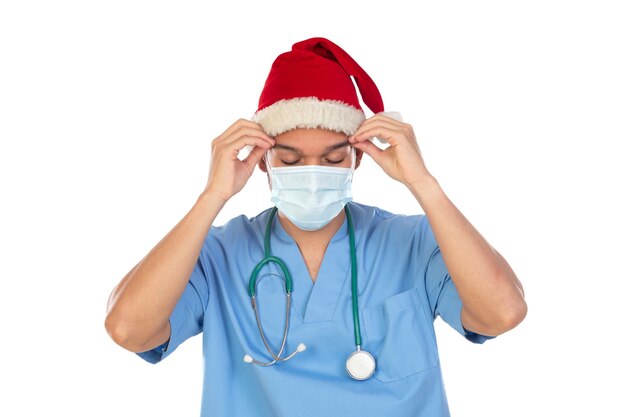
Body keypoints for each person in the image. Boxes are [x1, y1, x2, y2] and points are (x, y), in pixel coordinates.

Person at [105, 37, 527, 416]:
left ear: (357, 158)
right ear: (263, 162)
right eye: (288, 160)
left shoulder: (413, 241)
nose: (311, 173)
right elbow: (128, 329)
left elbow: (502, 314)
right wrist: (211, 197)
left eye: (331, 159)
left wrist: (424, 184)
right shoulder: (219, 254)